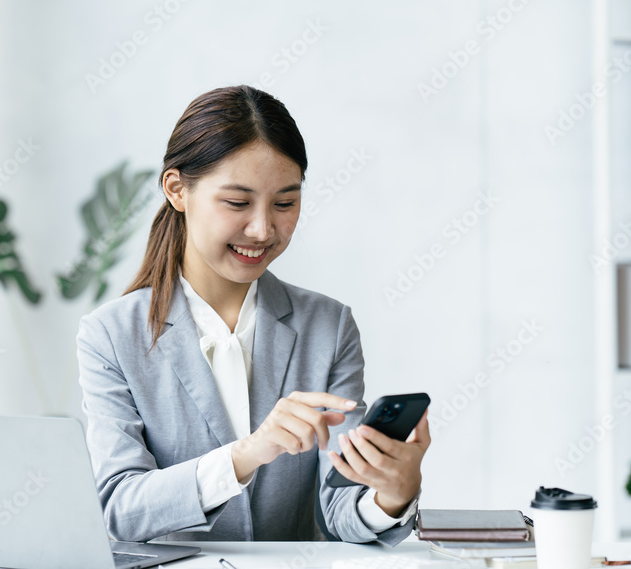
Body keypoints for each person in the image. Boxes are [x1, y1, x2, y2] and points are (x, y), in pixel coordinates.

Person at [75, 85, 430, 544]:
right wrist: (248, 454)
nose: (263, 229)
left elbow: (340, 509)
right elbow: (120, 507)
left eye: (285, 203)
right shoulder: (111, 335)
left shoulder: (328, 326)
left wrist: (392, 494)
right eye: (237, 203)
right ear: (177, 190)